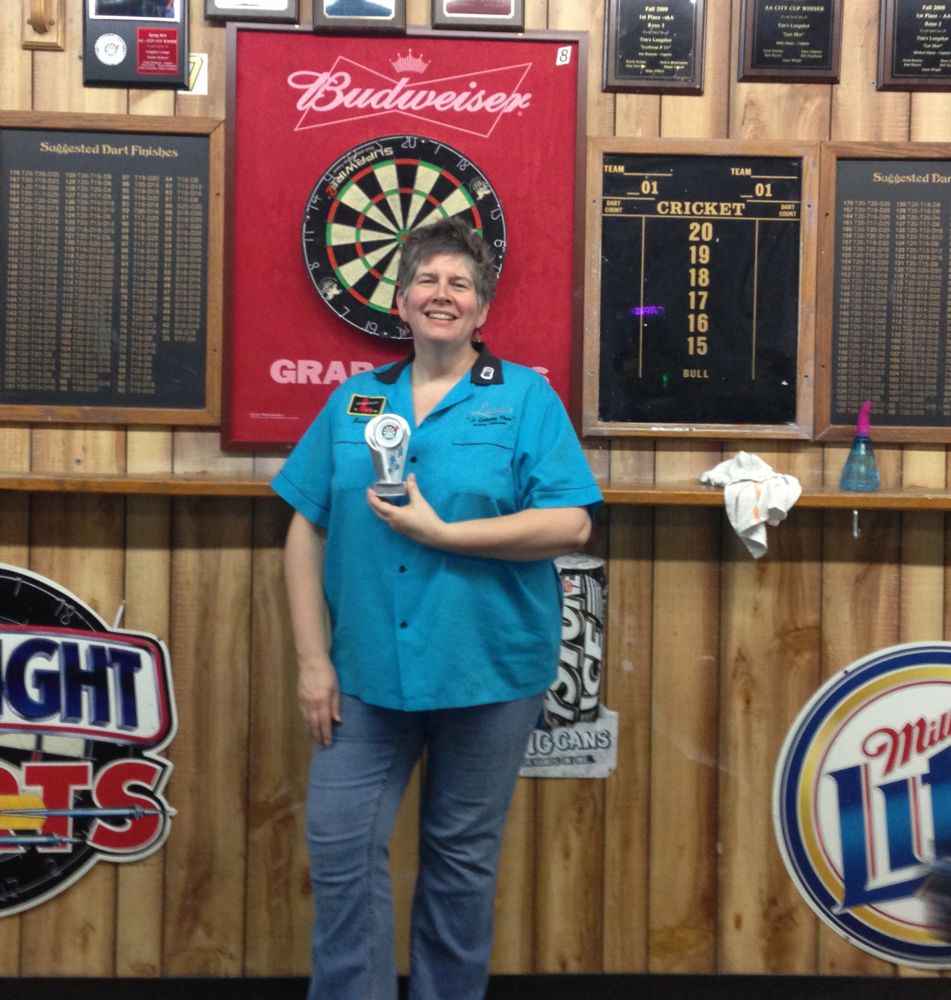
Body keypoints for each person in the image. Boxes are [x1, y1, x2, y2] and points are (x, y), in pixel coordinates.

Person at [271, 216, 602, 1000]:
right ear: (400, 300)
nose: (441, 294)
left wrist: (443, 533)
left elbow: (570, 523)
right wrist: (313, 662)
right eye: (426, 280)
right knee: (340, 849)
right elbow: (305, 527)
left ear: (482, 308)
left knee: (459, 864)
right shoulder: (355, 400)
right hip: (364, 675)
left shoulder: (524, 398)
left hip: (487, 672)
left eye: (460, 283)